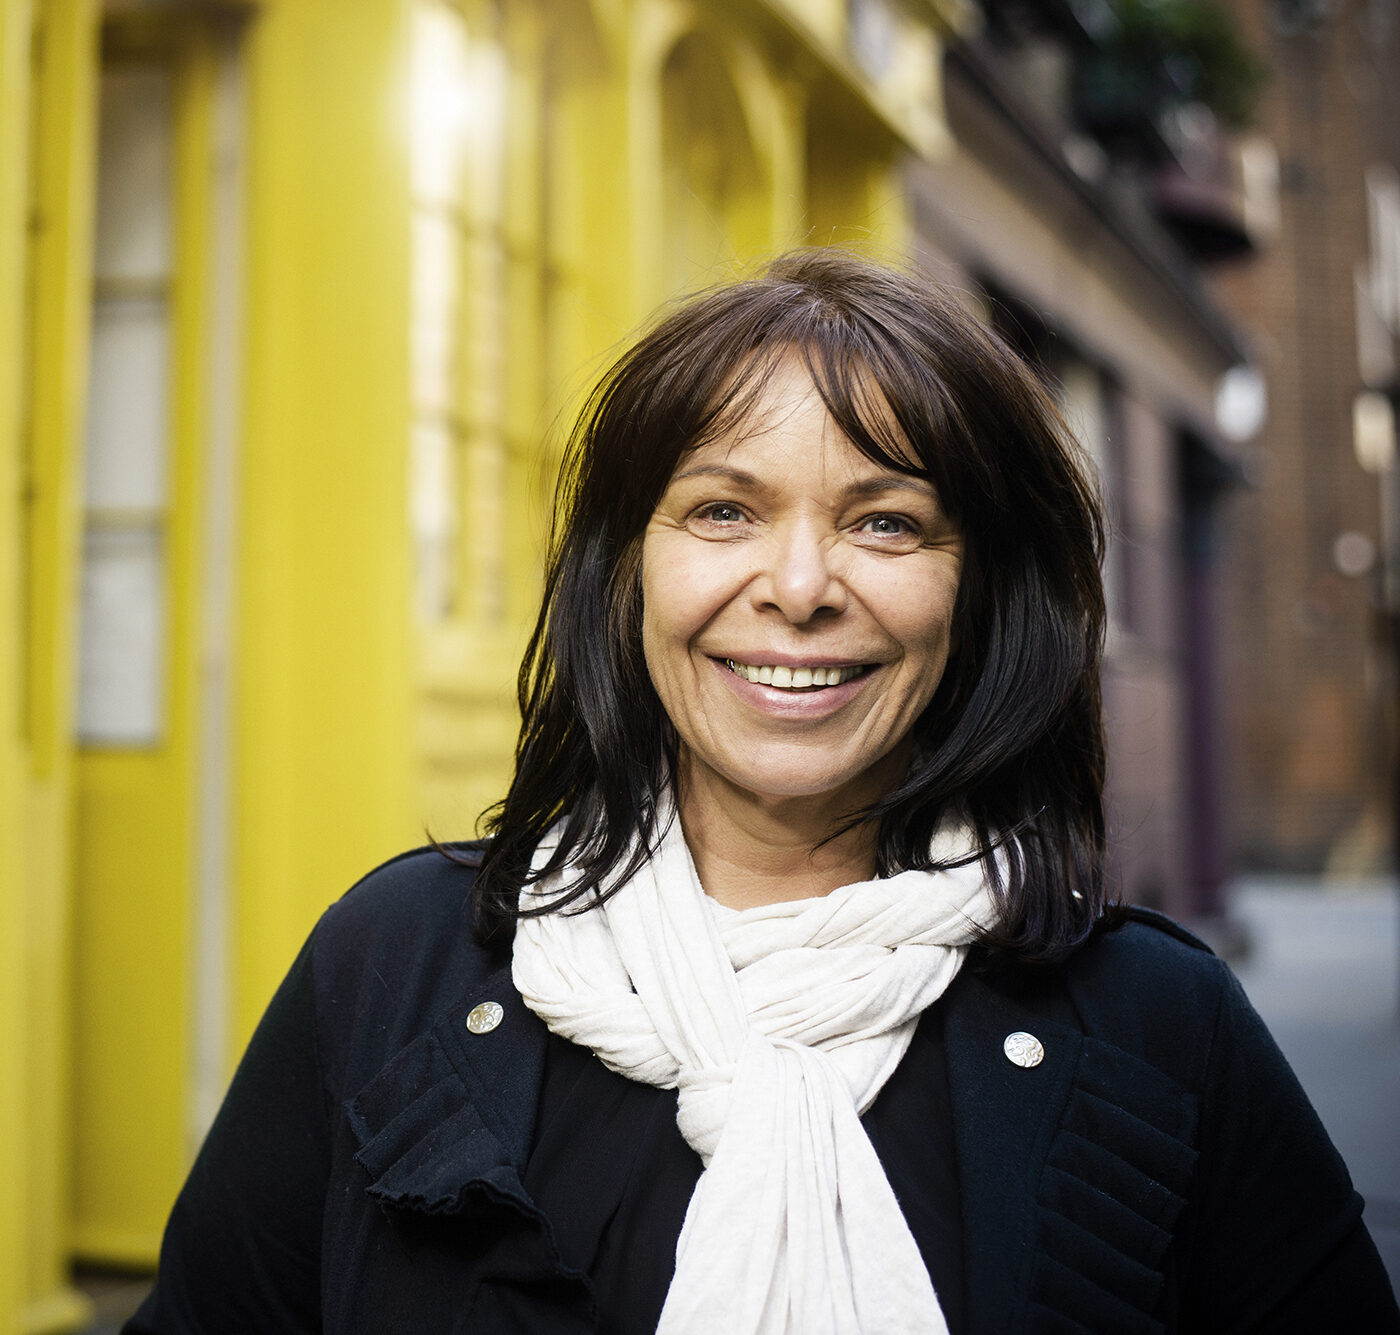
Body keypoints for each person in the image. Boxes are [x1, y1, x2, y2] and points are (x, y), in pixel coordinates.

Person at [127, 250, 1400, 1334]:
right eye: (723, 511)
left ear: (982, 595)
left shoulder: (1154, 1025)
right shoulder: (396, 962)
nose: (797, 585)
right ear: (626, 574)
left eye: (886, 523)